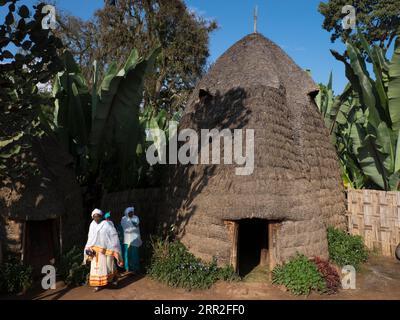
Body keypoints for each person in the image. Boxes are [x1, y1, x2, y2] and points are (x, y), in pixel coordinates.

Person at [84, 209, 124, 292]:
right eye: (94, 217)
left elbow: (113, 236)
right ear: (92, 217)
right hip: (95, 251)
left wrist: (114, 248)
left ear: (101, 216)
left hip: (107, 249)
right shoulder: (92, 225)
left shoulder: (107, 224)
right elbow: (90, 238)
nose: (96, 218)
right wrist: (88, 248)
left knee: (110, 266)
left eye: (98, 216)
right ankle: (98, 285)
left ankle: (114, 280)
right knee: (96, 269)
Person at [121, 207, 142, 274]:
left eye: (132, 212)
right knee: (126, 254)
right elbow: (123, 227)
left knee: (134, 253)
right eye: (129, 213)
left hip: (134, 239)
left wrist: (132, 222)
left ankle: (135, 269)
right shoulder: (123, 219)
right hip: (127, 239)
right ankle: (127, 268)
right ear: (126, 213)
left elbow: (136, 225)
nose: (131, 214)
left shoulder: (136, 218)